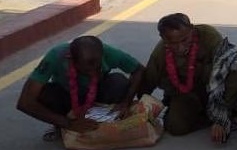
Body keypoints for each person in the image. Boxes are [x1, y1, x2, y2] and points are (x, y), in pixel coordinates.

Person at [141, 13, 237, 141]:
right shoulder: (160, 52)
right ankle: (206, 114)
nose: (180, 47)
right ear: (164, 39)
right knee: (175, 127)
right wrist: (138, 109)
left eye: (184, 40)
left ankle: (230, 109)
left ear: (192, 30)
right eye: (174, 43)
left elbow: (226, 72)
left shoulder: (209, 36)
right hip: (188, 94)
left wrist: (221, 117)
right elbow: (149, 80)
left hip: (216, 87)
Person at [16, 36, 144, 140]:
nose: (92, 73)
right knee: (44, 95)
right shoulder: (56, 56)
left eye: (97, 68)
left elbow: (138, 69)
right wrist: (68, 123)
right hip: (68, 98)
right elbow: (25, 102)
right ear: (71, 59)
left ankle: (106, 119)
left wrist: (126, 102)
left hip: (98, 96)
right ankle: (61, 125)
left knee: (118, 82)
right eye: (87, 70)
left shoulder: (107, 52)